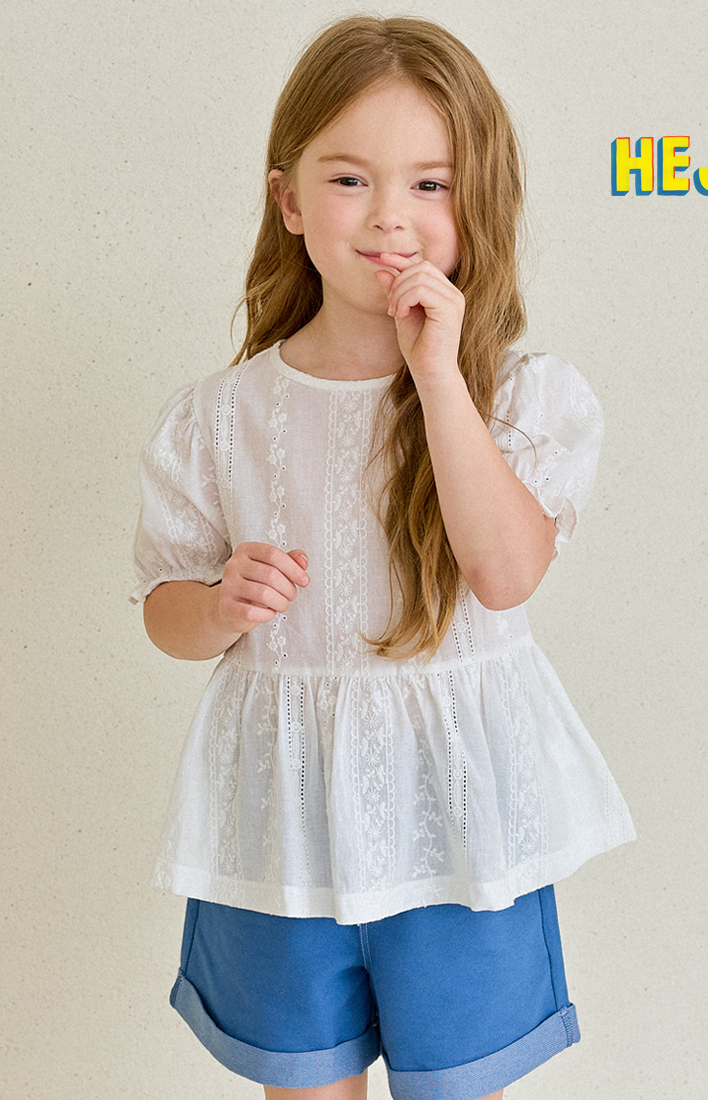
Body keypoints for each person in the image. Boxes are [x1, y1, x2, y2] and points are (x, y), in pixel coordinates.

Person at [130, 15, 634, 1100]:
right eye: (350, 179)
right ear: (288, 200)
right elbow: (165, 612)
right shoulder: (219, 417)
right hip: (282, 827)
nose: (389, 217)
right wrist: (217, 604)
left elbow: (505, 574)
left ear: (475, 201)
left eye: (430, 185)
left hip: (455, 821)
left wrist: (439, 376)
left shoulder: (520, 398)